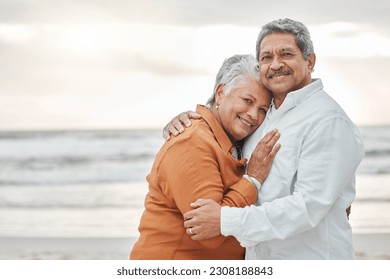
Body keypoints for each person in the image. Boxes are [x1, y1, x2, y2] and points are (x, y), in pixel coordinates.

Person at [164, 18, 365, 259]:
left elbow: (307, 207)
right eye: (266, 57)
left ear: (309, 61)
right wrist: (190, 120)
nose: (276, 64)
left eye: (286, 54)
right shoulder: (264, 113)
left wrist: (225, 219)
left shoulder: (328, 121)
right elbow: (224, 128)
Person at [130, 54, 281, 260]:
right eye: (247, 101)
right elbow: (210, 233)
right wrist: (252, 181)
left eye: (262, 109)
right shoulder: (191, 142)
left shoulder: (232, 138)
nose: (254, 115)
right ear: (220, 93)